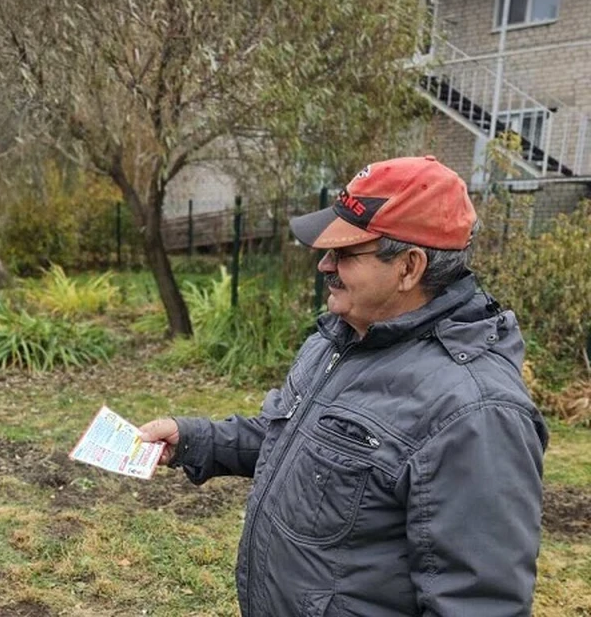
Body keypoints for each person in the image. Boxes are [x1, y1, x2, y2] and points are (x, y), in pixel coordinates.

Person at [140, 156, 548, 617]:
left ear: (409, 267)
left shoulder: (475, 412)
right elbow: (295, 440)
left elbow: (479, 605)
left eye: (346, 254)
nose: (324, 266)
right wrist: (195, 439)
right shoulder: (342, 337)